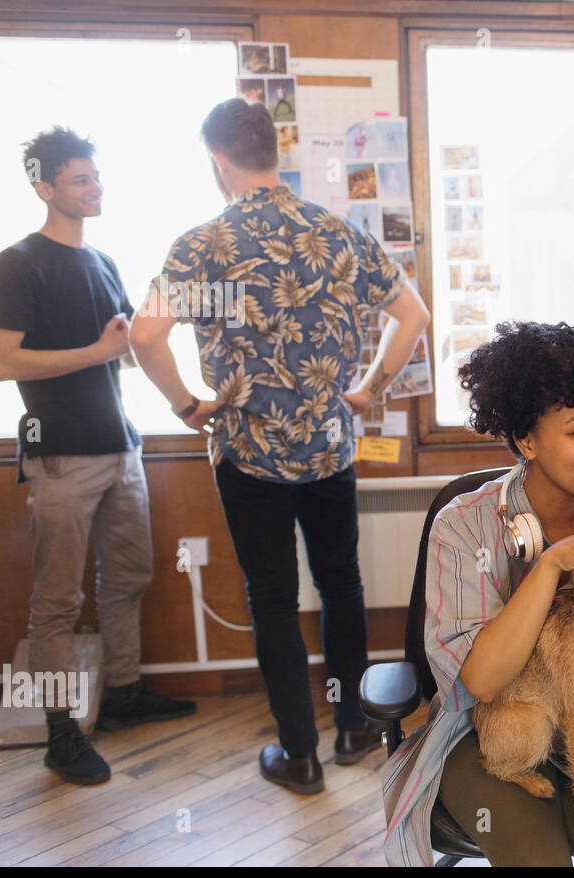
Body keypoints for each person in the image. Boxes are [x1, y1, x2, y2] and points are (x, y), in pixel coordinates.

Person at [129, 98, 430, 794]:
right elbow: (411, 316)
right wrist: (371, 389)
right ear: (275, 152)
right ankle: (356, 726)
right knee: (342, 582)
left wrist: (184, 405)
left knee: (272, 598)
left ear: (219, 161)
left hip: (246, 452)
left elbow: (144, 335)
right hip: (330, 447)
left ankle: (300, 756)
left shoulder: (201, 245)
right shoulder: (337, 232)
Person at [381, 320, 574, 866]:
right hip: (484, 733)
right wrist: (548, 567)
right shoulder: (463, 526)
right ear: (526, 440)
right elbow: (483, 682)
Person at [0, 127, 195, 786]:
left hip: (120, 446)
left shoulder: (103, 262)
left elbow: (126, 345)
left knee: (127, 578)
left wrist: (158, 336)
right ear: (45, 188)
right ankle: (59, 733)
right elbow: (4, 361)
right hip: (60, 456)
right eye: (80, 180)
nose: (94, 188)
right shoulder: (17, 263)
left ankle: (125, 693)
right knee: (56, 602)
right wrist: (99, 353)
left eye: (96, 178)